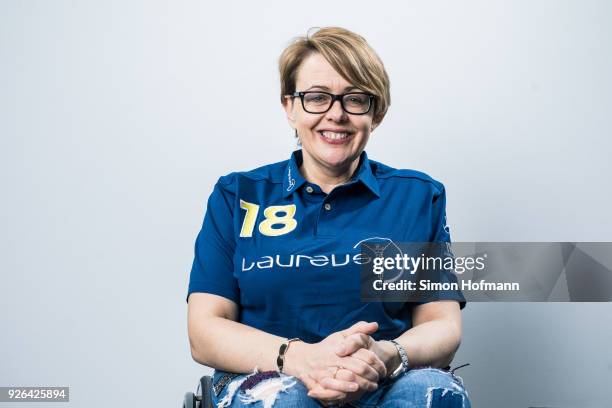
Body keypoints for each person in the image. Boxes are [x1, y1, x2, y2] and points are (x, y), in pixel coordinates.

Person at [186, 27, 471, 407]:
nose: (335, 115)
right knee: (286, 401)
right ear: (289, 106)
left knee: (431, 396)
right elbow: (204, 330)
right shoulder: (237, 195)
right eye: (316, 98)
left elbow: (442, 325)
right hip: (270, 376)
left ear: (377, 112)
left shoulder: (417, 196)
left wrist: (383, 357)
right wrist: (302, 359)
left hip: (384, 380)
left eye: (355, 99)